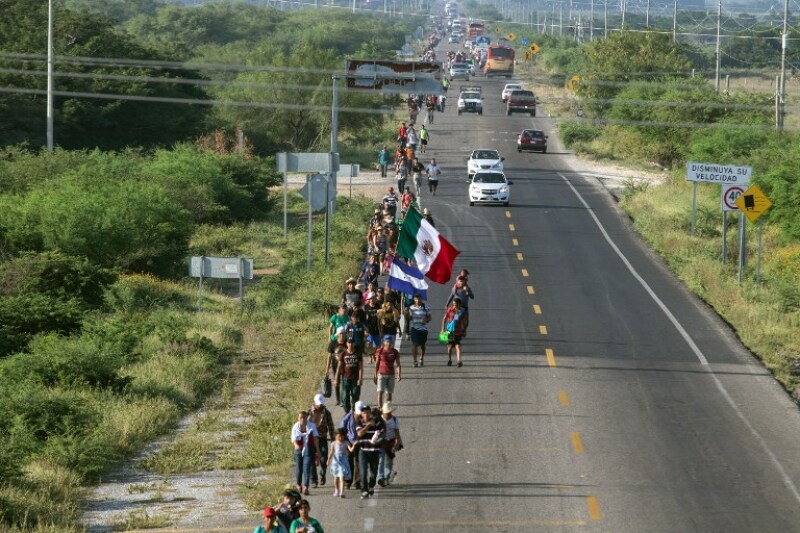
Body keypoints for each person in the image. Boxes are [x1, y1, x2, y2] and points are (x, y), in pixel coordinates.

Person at [356, 407, 385, 499]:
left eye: (368, 413)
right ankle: (364, 490)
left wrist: (378, 440)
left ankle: (371, 485)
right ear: (361, 414)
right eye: (364, 413)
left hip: (374, 451)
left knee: (373, 472)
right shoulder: (359, 422)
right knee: (363, 472)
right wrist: (368, 425)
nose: (366, 415)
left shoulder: (377, 422)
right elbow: (360, 434)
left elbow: (382, 433)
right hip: (363, 451)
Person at [338, 400, 367, 490]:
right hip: (350, 442)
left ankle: (357, 482)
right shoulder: (348, 417)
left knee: (358, 461)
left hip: (360, 442)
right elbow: (341, 428)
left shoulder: (365, 417)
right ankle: (348, 481)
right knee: (348, 462)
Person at [291, 411, 320, 495]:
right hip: (298, 450)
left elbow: (315, 439)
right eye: (301, 418)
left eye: (304, 417)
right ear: (298, 418)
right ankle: (298, 485)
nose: (303, 419)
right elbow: (293, 439)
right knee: (299, 468)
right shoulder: (295, 427)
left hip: (309, 449)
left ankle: (306, 487)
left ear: (307, 417)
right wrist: (296, 445)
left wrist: (317, 452)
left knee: (307, 467)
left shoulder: (311, 426)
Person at [309, 394, 334, 488]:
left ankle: (322, 473)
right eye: (318, 404)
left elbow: (331, 427)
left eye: (321, 404)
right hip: (311, 439)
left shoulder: (326, 413)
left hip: (322, 438)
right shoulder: (309, 413)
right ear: (314, 402)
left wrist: (333, 440)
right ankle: (314, 480)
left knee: (323, 458)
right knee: (311, 460)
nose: (320, 406)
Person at [336, 337, 363, 413]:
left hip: (355, 378)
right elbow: (339, 367)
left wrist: (360, 378)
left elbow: (360, 367)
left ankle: (354, 411)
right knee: (345, 397)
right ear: (346, 344)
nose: (350, 344)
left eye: (352, 342)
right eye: (349, 342)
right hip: (345, 379)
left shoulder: (358, 353)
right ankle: (347, 412)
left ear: (354, 344)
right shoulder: (343, 354)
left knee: (355, 395)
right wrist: (336, 379)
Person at [377, 402, 401, 487]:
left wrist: (397, 443)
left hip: (390, 442)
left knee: (389, 462)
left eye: (389, 412)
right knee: (381, 461)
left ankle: (386, 478)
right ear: (383, 412)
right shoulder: (379, 419)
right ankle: (380, 477)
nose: (388, 414)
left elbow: (397, 433)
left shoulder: (395, 419)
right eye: (387, 413)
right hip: (381, 442)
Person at [374, 335, 401, 407]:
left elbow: (398, 364)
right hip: (381, 374)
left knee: (389, 393)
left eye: (390, 341)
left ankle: (387, 408)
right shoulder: (380, 351)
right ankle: (380, 409)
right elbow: (376, 364)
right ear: (384, 342)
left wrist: (398, 375)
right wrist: (375, 375)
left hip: (391, 375)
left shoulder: (395, 352)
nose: (389, 343)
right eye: (387, 341)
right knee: (380, 392)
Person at [441, 297, 468, 367]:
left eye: (455, 304)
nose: (454, 305)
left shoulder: (462, 311)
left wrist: (464, 330)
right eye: (453, 304)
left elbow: (465, 321)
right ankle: (449, 360)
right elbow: (444, 319)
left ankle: (459, 361)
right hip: (450, 331)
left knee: (458, 346)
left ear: (459, 304)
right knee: (449, 346)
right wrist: (442, 329)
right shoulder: (450, 309)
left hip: (458, 331)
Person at [327, 428, 354, 498]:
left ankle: (342, 492)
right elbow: (331, 452)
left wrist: (354, 444)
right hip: (336, 461)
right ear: (335, 436)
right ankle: (336, 490)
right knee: (336, 477)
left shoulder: (346, 443)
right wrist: (328, 460)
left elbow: (350, 450)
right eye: (339, 436)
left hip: (343, 461)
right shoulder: (333, 443)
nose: (341, 438)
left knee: (342, 477)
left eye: (342, 436)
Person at [408, 293, 431, 367]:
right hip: (414, 328)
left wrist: (426, 319)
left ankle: (421, 358)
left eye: (419, 299)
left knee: (422, 345)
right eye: (416, 299)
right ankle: (415, 361)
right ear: (414, 300)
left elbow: (429, 318)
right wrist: (406, 314)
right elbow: (409, 318)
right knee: (414, 344)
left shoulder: (426, 308)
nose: (418, 300)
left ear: (421, 299)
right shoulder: (411, 308)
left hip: (423, 329)